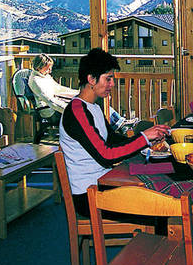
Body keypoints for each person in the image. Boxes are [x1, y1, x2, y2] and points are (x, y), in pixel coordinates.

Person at [59, 48, 170, 215]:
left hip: (105, 179)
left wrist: (148, 140)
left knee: (166, 169)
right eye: (108, 79)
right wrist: (144, 137)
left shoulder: (93, 107)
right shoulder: (77, 111)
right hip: (89, 193)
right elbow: (106, 155)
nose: (112, 84)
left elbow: (112, 140)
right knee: (159, 200)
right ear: (91, 79)